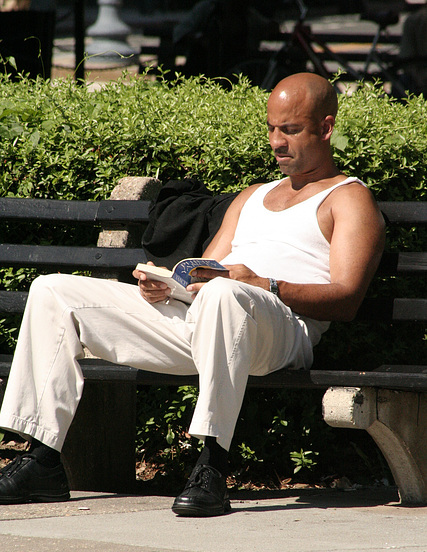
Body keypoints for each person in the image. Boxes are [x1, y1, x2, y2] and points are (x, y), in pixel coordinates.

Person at [0, 72, 385, 516]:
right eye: (271, 128)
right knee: (53, 291)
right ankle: (42, 459)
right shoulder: (252, 197)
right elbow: (203, 273)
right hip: (211, 320)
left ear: (326, 127)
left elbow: (347, 297)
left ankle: (212, 464)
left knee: (225, 294)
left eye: (291, 130)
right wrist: (167, 286)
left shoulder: (348, 197)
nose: (277, 141)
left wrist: (264, 284)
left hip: (280, 330)